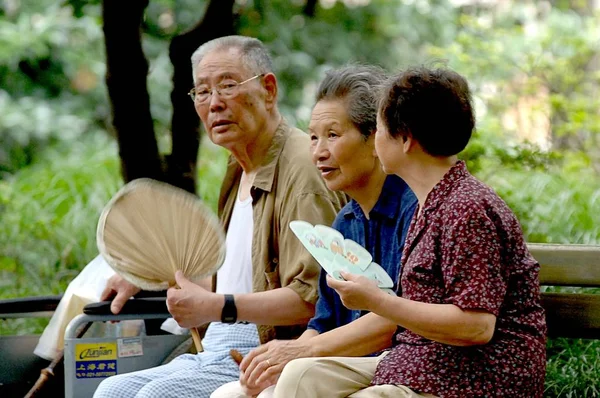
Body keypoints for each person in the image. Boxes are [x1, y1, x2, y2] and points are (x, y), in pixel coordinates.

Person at [93, 35, 347, 398]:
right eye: (201, 92)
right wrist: (145, 274)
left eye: (227, 86)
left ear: (268, 90)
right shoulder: (238, 169)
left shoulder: (302, 170)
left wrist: (217, 307)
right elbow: (233, 276)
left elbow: (312, 300)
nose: (214, 104)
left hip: (265, 350)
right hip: (217, 342)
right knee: (110, 391)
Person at [273, 66, 547, 397]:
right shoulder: (430, 202)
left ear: (404, 138)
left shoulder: (467, 208)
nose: (375, 140)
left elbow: (477, 326)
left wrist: (377, 300)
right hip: (423, 363)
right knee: (302, 377)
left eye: (381, 128)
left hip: (477, 374)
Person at [210, 65, 417, 398]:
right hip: (339, 367)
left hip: (398, 367)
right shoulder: (345, 222)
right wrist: (274, 362)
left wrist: (300, 353)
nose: (319, 152)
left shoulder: (414, 211)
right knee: (233, 394)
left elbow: (400, 317)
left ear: (375, 139)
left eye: (333, 135)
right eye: (313, 137)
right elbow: (323, 321)